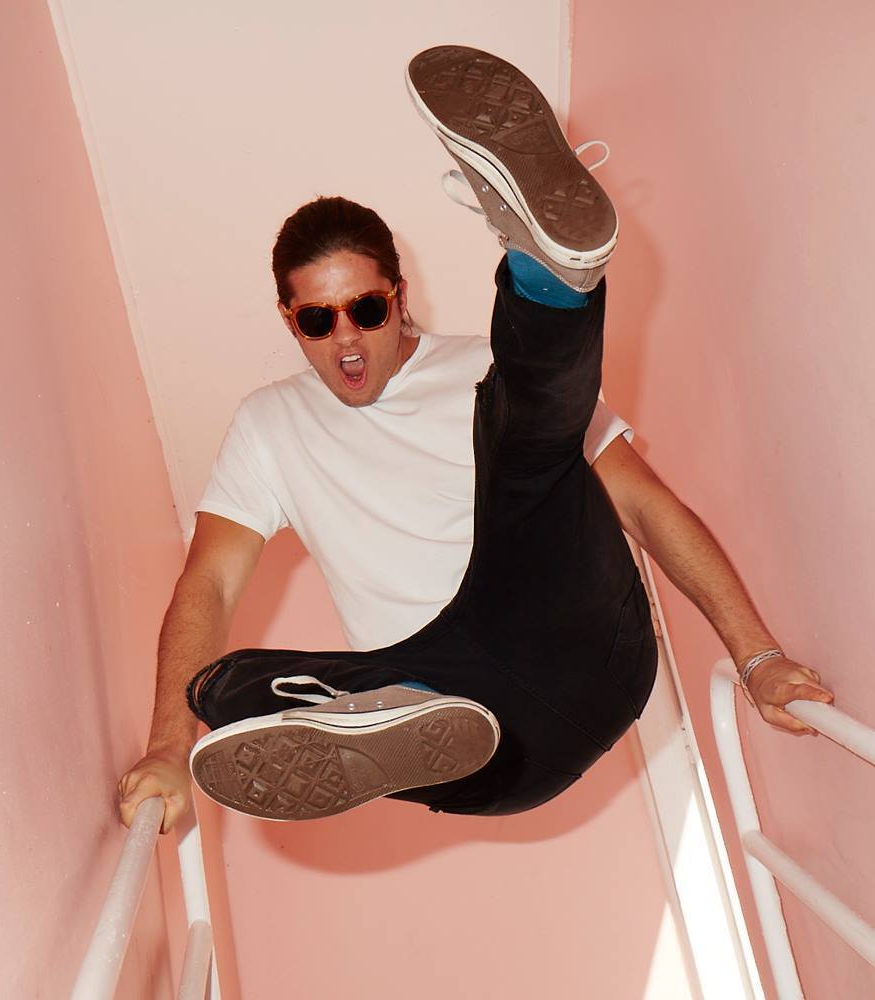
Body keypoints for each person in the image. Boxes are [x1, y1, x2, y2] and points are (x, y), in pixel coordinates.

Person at [118, 45, 835, 830]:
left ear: (399, 297)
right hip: (483, 744)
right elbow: (211, 584)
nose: (347, 337)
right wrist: (167, 745)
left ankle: (550, 277)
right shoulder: (268, 424)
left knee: (522, 431)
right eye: (318, 319)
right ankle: (402, 713)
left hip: (577, 647)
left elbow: (645, 504)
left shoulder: (491, 369)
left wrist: (758, 658)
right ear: (290, 322)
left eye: (367, 309)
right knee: (224, 688)